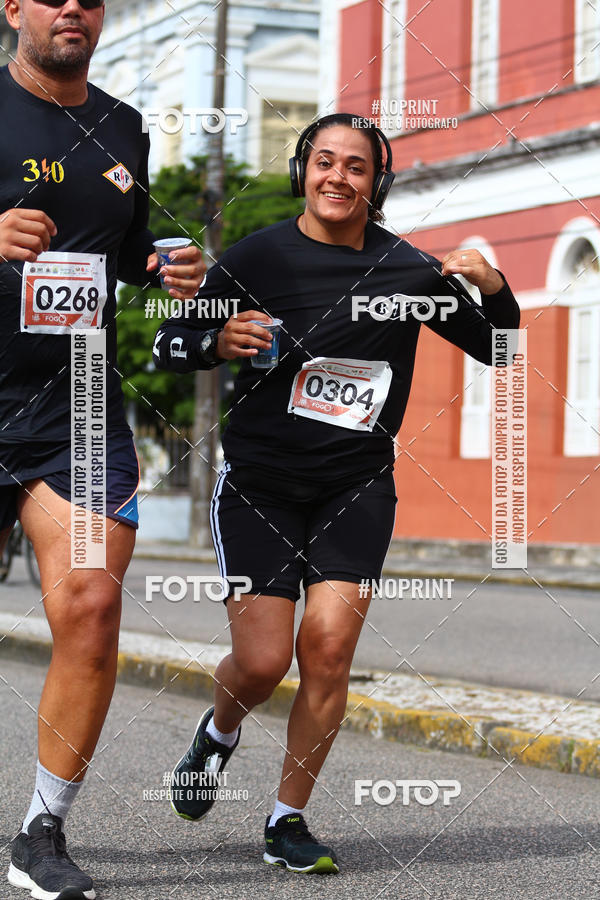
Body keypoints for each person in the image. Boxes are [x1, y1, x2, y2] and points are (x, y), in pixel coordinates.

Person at [154, 112, 520, 874]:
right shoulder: (257, 258)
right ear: (302, 171)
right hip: (259, 485)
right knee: (260, 663)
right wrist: (217, 341)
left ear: (376, 184)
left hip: (354, 485)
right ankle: (218, 734)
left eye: (356, 166)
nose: (338, 177)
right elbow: (168, 343)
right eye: (324, 162)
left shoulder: (411, 273)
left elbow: (501, 353)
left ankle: (287, 820)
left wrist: (497, 286)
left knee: (327, 649)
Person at [0, 2, 206, 898]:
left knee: (88, 607)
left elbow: (120, 252)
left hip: (77, 403)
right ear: (15, 9)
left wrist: (163, 267)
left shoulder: (122, 125)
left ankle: (41, 829)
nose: (74, 7)